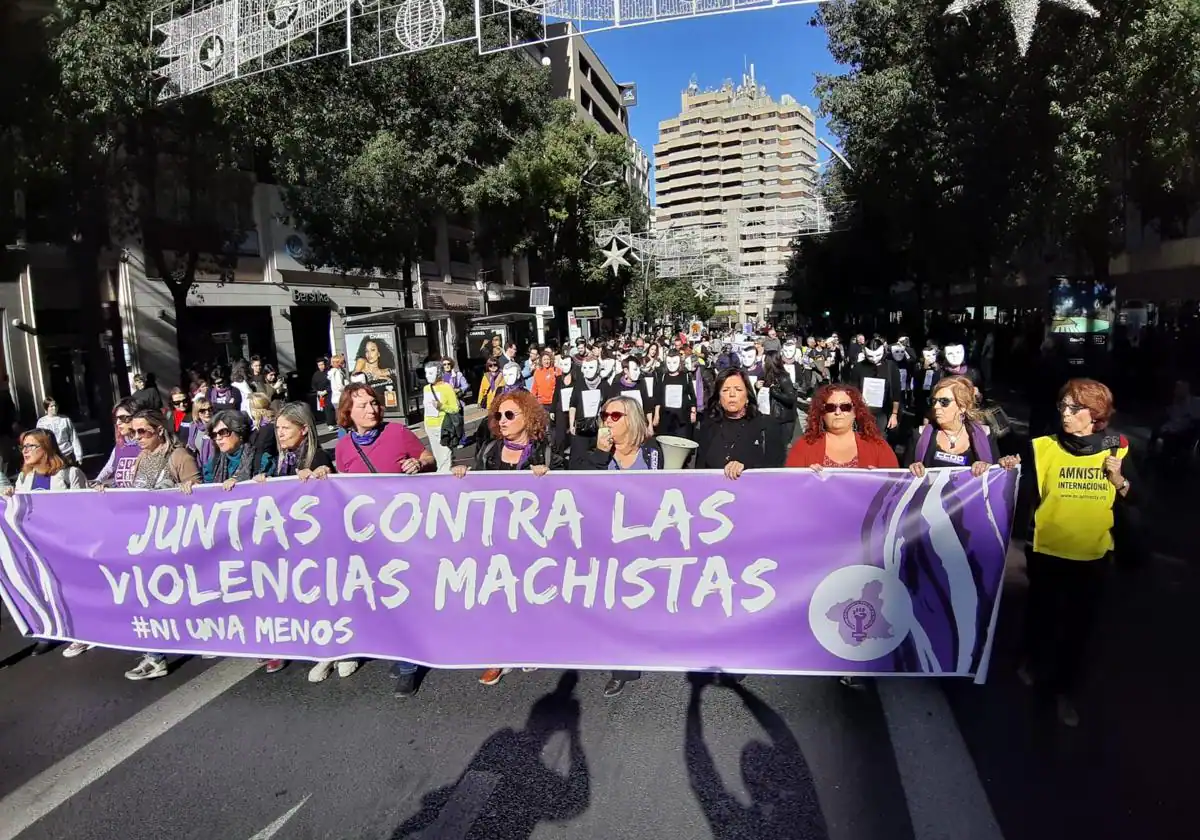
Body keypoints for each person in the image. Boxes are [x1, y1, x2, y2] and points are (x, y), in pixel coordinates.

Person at [1019, 378, 1136, 727]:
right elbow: (1021, 490)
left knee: (1078, 632)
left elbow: (1137, 497)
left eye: (1074, 408)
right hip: (1047, 551)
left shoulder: (1117, 446)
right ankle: (1032, 661)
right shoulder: (1043, 446)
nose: (1065, 414)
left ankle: (1064, 694)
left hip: (1093, 556)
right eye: (1062, 407)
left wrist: (1120, 482)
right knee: (1042, 618)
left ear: (1095, 414)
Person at [451, 391, 561, 687]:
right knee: (495, 595)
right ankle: (496, 656)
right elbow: (475, 488)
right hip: (494, 536)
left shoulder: (546, 452)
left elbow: (566, 496)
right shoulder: (488, 451)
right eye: (498, 415)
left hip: (531, 537)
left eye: (510, 415)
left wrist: (548, 477)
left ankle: (528, 646)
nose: (502, 421)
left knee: (528, 592)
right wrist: (462, 473)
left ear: (529, 418)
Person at [334, 383, 433, 697]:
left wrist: (419, 463)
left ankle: (408, 667)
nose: (372, 409)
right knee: (379, 599)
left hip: (401, 533)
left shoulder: (397, 432)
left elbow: (428, 456)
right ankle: (401, 652)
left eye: (374, 403)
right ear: (348, 413)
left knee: (401, 596)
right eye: (362, 405)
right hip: (365, 537)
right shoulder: (343, 447)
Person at [576, 395, 664, 697]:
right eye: (605, 415)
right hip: (606, 540)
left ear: (633, 420)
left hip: (641, 538)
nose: (609, 421)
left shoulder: (651, 452)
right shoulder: (596, 454)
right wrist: (600, 455)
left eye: (616, 415)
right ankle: (621, 667)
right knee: (614, 603)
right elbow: (581, 490)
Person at [253, 402, 336, 676]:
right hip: (287, 541)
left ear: (303, 429)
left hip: (315, 542)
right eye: (277, 428)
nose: (280, 433)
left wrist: (318, 478)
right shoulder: (282, 460)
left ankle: (329, 652)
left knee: (317, 595)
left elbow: (332, 496)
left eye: (285, 428)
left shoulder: (318, 457)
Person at [120, 410, 201, 678]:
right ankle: (154, 656)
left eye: (142, 431)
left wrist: (190, 491)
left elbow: (204, 500)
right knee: (147, 598)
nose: (137, 437)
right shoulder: (141, 458)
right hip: (148, 542)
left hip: (175, 542)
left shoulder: (179, 457)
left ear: (159, 430)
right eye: (133, 432)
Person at [906, 375, 1018, 477]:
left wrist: (1004, 463)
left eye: (944, 402)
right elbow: (901, 480)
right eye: (933, 401)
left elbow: (996, 477)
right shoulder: (919, 435)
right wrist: (912, 470)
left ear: (962, 406)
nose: (936, 406)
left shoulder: (986, 435)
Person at [784, 383, 900, 470]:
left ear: (855, 412)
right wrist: (805, 478)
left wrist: (880, 480)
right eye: (830, 408)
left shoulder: (877, 445)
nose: (838, 412)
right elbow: (789, 488)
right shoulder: (805, 445)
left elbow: (896, 486)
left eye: (845, 407)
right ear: (822, 413)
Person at [694, 369, 772, 481]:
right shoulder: (708, 426)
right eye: (725, 390)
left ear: (747, 396)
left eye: (738, 389)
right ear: (719, 398)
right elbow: (699, 472)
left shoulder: (765, 426)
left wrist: (746, 466)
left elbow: (775, 472)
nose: (732, 394)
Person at [187, 409, 274, 491]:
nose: (218, 438)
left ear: (239, 432)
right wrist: (194, 486)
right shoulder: (214, 461)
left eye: (223, 432)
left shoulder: (260, 459)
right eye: (214, 435)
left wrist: (246, 482)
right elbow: (207, 488)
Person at [757, 349, 799, 465]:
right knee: (769, 450)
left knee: (779, 452)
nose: (763, 363)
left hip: (781, 420)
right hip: (768, 417)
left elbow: (791, 399)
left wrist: (775, 392)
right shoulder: (765, 376)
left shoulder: (783, 377)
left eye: (765, 361)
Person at [421, 358, 461, 474]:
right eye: (426, 373)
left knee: (445, 457)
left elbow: (455, 408)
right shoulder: (426, 388)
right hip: (430, 426)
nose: (428, 376)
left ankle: (446, 481)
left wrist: (441, 406)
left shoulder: (447, 388)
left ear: (438, 373)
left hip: (443, 427)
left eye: (431, 373)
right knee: (438, 456)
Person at [92, 398, 141, 489]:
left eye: (122, 418)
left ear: (136, 417)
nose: (118, 423)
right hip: (121, 499)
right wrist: (97, 481)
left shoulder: (147, 445)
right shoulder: (120, 446)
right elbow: (109, 468)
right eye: (116, 418)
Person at [36, 398, 83, 465]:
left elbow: (74, 438)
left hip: (67, 454)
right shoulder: (41, 422)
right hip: (52, 456)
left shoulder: (65, 420)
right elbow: (39, 441)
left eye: (55, 405)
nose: (54, 408)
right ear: (46, 408)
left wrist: (79, 456)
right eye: (51, 406)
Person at [312, 357, 333, 426]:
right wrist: (317, 392)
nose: (321, 366)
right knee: (323, 408)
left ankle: (331, 423)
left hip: (329, 393)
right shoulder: (316, 374)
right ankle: (328, 422)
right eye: (319, 365)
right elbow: (313, 385)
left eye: (322, 364)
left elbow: (331, 383)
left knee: (329, 407)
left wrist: (326, 391)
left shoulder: (329, 372)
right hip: (320, 395)